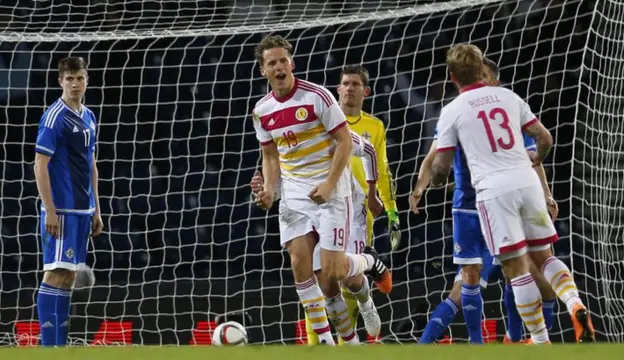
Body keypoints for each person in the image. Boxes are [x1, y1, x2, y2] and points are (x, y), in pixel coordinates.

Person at [430, 43, 594, 344]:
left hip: (494, 192)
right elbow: (544, 138)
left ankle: (540, 342)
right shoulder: (509, 97)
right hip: (527, 182)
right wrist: (536, 159)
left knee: (516, 269)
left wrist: (437, 181)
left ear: (452, 77)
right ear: (482, 70)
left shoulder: (452, 110)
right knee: (544, 257)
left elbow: (440, 164)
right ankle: (574, 302)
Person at [250, 35, 392, 345]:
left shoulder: (318, 97)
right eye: (271, 63)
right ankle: (336, 345)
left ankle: (369, 261)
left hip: (332, 192)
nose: (279, 67)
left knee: (334, 275)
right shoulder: (261, 111)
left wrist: (330, 184)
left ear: (292, 64)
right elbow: (271, 155)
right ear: (263, 71)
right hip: (295, 197)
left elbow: (345, 142)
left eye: (283, 61)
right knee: (301, 266)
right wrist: (271, 190)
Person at [410, 57, 559, 343]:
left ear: (494, 80)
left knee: (516, 271)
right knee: (471, 277)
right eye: (480, 74)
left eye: (487, 75)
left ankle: (518, 338)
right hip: (467, 205)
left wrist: (546, 194)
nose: (484, 80)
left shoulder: (505, 108)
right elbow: (432, 158)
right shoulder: (456, 114)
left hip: (498, 203)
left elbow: (534, 160)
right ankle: (482, 344)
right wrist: (419, 187)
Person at [251, 129, 384, 343]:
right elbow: (276, 188)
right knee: (327, 284)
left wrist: (372, 192)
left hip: (344, 203)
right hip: (307, 211)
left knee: (347, 278)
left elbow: (368, 148)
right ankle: (351, 345)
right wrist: (263, 191)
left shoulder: (326, 125)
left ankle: (366, 295)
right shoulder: (279, 144)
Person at [34, 56, 103, 347]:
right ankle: (50, 347)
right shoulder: (54, 116)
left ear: (87, 80)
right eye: (70, 78)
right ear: (60, 81)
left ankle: (59, 346)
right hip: (60, 208)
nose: (75, 84)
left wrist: (97, 209)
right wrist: (49, 209)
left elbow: (92, 164)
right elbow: (40, 165)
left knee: (69, 278)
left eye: (80, 78)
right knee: (55, 274)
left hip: (83, 209)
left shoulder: (89, 115)